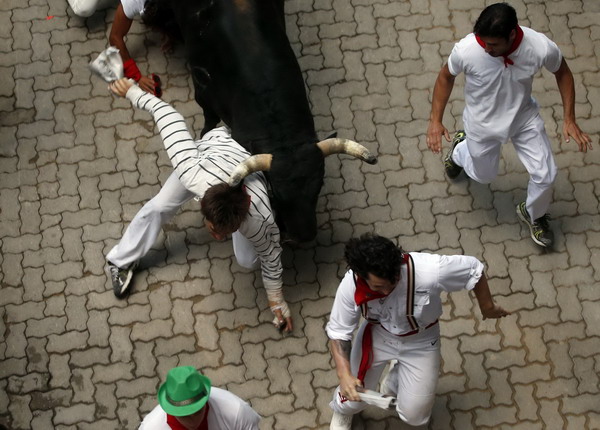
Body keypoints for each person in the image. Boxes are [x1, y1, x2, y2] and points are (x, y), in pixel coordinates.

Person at [107, 78, 293, 332]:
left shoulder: (259, 216)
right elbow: (167, 114)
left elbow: (272, 259)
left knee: (249, 260)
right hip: (213, 150)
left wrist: (277, 304)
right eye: (213, 227)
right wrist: (133, 91)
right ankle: (121, 260)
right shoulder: (191, 171)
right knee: (160, 205)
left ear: (245, 210)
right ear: (203, 200)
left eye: (222, 232)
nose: (216, 236)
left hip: (247, 153)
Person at [426, 2, 593, 248]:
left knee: (546, 174)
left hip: (523, 118)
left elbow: (563, 73)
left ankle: (533, 213)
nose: (486, 48)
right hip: (482, 124)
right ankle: (461, 149)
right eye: (483, 42)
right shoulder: (467, 49)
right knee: (484, 175)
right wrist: (435, 120)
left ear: (512, 35)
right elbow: (445, 77)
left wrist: (569, 118)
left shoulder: (540, 48)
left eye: (492, 45)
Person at [327, 234, 510, 429]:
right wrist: (344, 374)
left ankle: (398, 373)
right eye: (379, 286)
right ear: (361, 276)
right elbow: (339, 333)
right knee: (352, 397)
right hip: (377, 335)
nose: (388, 290)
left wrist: (487, 307)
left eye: (394, 281)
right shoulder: (350, 284)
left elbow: (473, 268)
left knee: (414, 416)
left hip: (421, 340)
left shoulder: (429, 270)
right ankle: (343, 411)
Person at [139, 366, 261, 429]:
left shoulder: (236, 411)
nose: (193, 421)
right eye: (185, 415)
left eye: (197, 412)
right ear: (170, 409)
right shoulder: (150, 427)